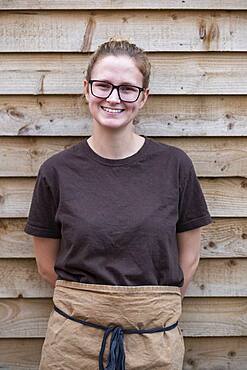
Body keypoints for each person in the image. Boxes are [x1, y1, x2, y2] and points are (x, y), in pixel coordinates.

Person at [24, 38, 212, 370]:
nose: (113, 98)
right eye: (104, 86)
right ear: (86, 89)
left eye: (127, 88)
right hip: (73, 341)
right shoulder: (56, 171)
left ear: (144, 97)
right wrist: (97, 308)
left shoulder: (175, 166)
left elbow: (190, 258)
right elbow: (45, 265)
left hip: (155, 342)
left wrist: (145, 310)